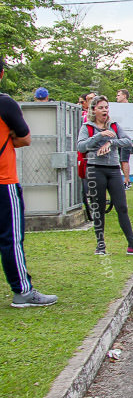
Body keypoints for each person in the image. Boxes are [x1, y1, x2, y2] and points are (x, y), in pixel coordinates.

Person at [1, 57, 58, 307]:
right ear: (2, 74)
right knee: (11, 238)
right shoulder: (6, 104)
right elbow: (24, 139)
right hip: (4, 182)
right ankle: (23, 291)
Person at [78, 96, 133, 257]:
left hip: (113, 170)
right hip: (95, 169)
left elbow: (127, 141)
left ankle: (132, 244)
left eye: (106, 107)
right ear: (93, 110)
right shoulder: (87, 127)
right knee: (98, 207)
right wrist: (99, 136)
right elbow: (81, 145)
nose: (105, 110)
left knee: (122, 206)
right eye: (101, 108)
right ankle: (100, 245)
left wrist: (111, 142)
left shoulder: (114, 126)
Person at [114, 89, 133, 189]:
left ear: (124, 96)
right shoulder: (117, 108)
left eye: (118, 95)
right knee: (120, 160)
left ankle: (127, 181)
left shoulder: (129, 108)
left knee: (124, 159)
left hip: (126, 137)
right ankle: (125, 179)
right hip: (117, 137)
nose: (117, 97)